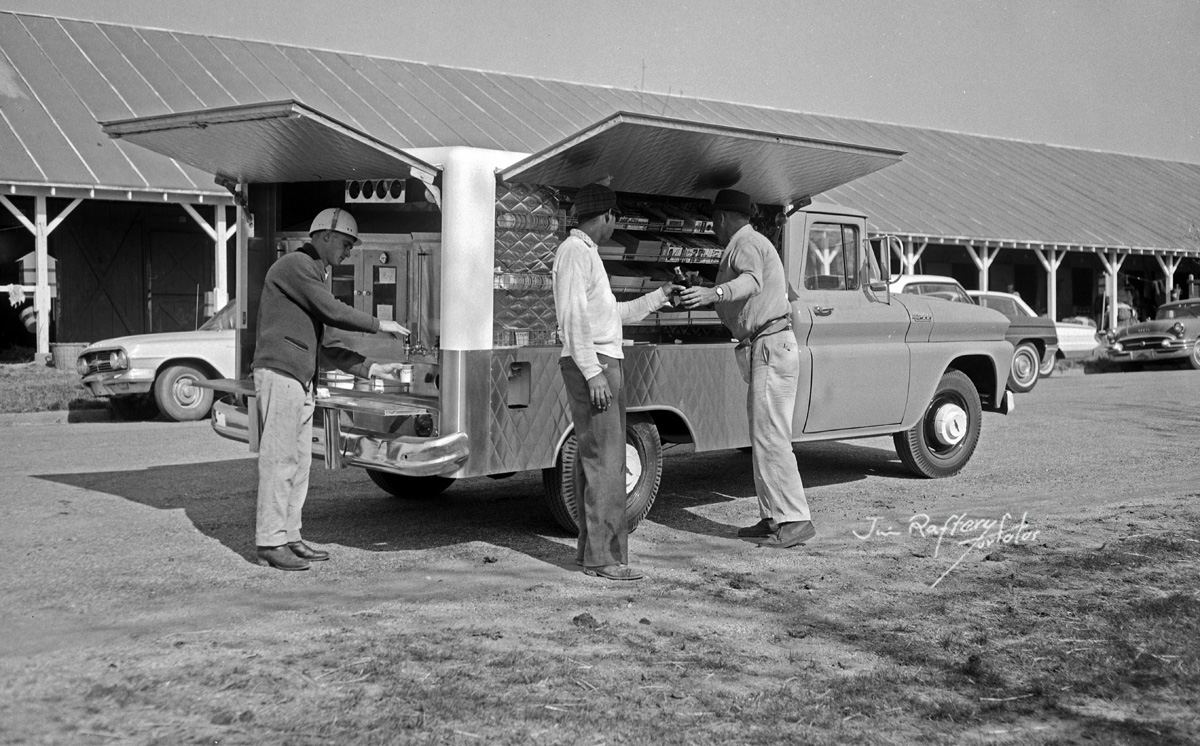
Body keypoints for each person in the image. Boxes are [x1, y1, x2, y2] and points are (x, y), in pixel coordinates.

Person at [253, 207, 409, 571]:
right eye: (344, 243)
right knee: (280, 459)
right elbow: (332, 311)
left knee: (300, 461)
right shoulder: (296, 266)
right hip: (282, 373)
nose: (348, 252)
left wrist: (372, 367)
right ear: (322, 236)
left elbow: (328, 345)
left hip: (299, 378)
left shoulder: (312, 275)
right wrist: (378, 323)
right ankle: (269, 541)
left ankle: (290, 536)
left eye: (352, 246)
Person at [552, 183, 680, 581]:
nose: (615, 226)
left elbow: (612, 315)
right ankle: (605, 559)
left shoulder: (586, 254)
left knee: (595, 458)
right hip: (594, 363)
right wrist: (592, 372)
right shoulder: (575, 253)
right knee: (608, 461)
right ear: (605, 215)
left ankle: (591, 554)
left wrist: (661, 296)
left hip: (600, 360)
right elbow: (572, 318)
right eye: (614, 218)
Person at [679, 189, 815, 549]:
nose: (713, 228)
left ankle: (795, 519)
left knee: (771, 436)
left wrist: (713, 294)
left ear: (723, 218)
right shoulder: (749, 241)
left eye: (713, 221)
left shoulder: (745, 242)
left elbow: (751, 281)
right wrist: (709, 291)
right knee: (764, 436)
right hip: (766, 344)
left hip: (769, 344)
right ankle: (774, 517)